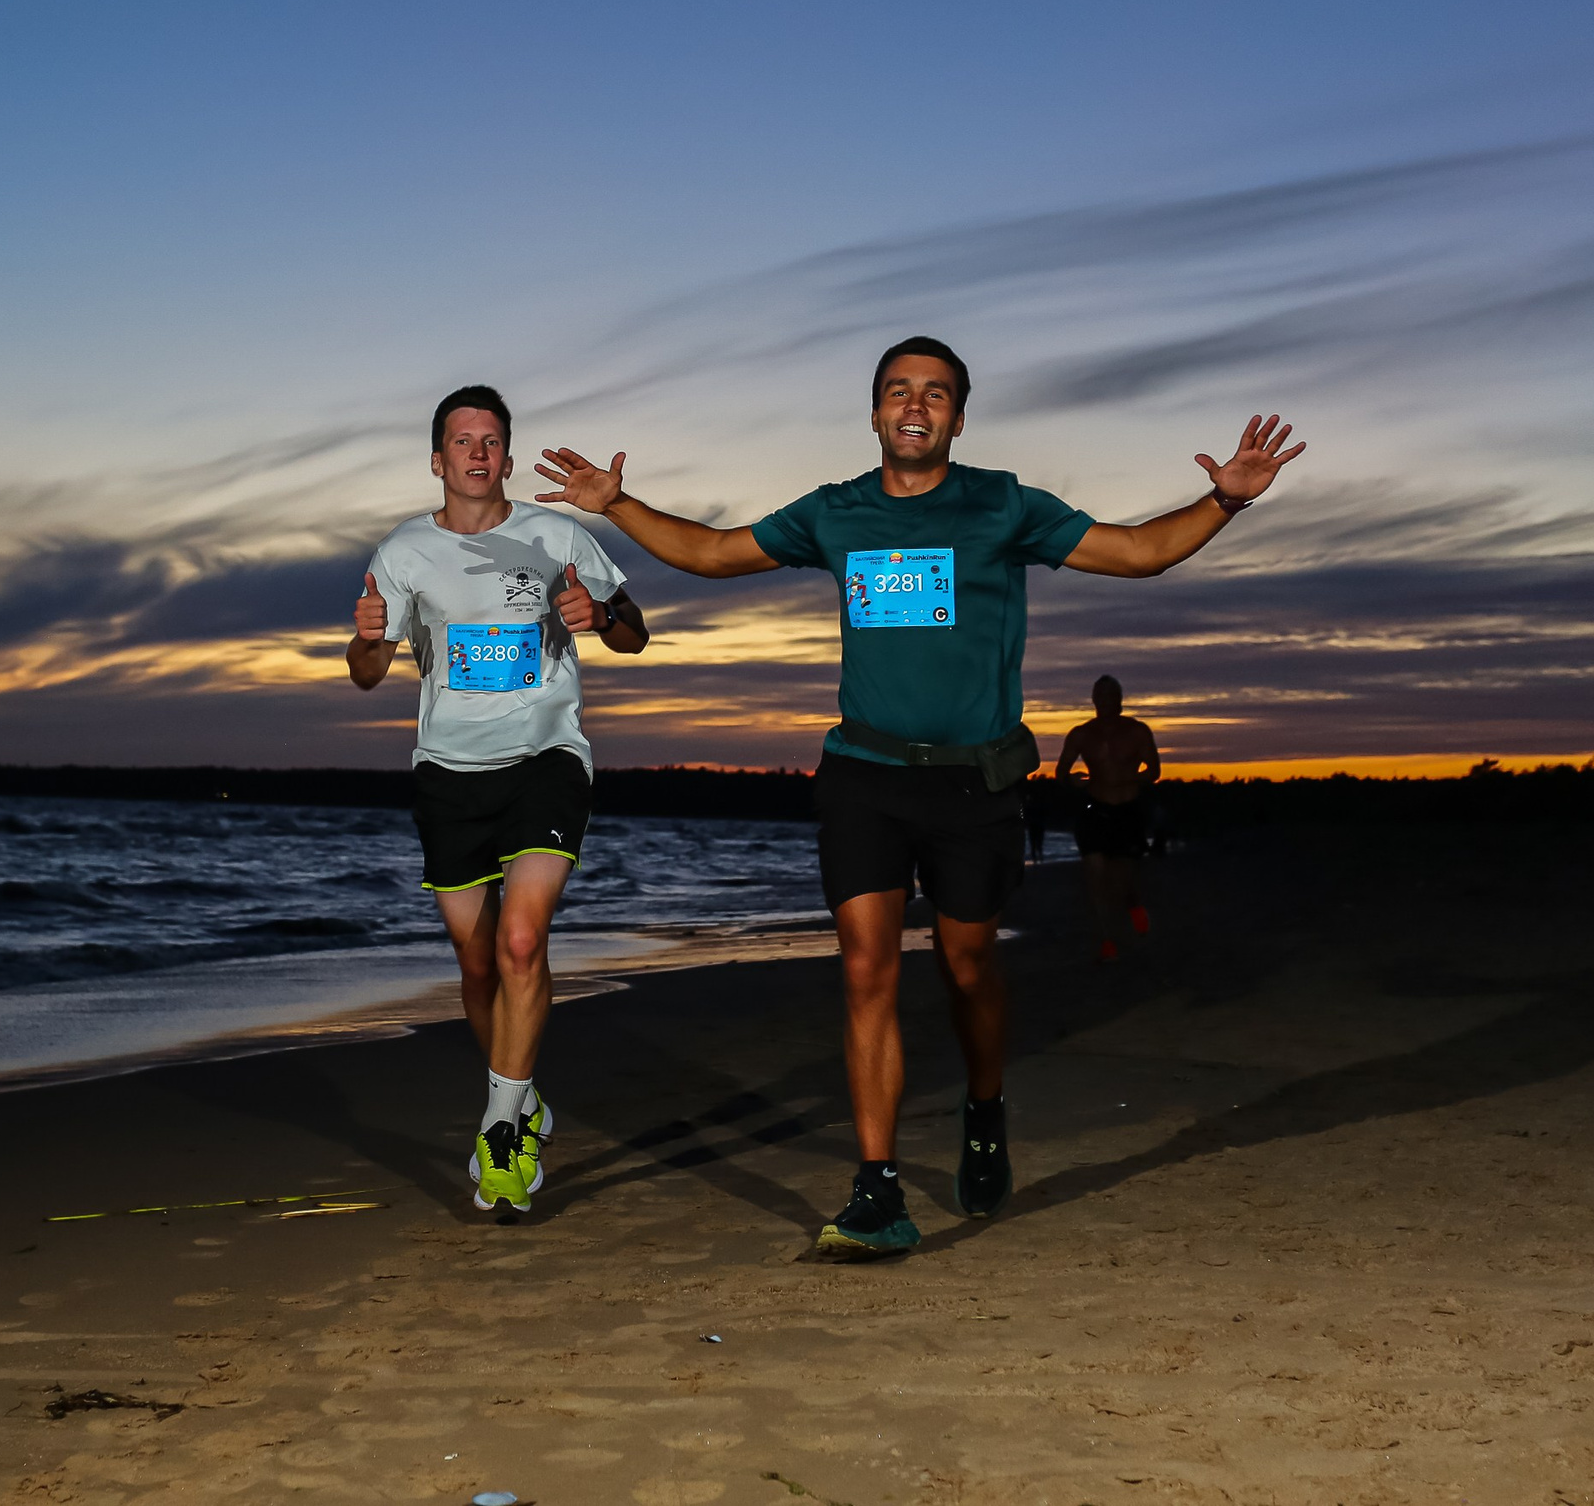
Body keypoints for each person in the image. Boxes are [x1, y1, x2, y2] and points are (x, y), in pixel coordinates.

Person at [535, 337, 1302, 1255]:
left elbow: (1138, 553)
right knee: (868, 969)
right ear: (873, 414)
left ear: (958, 418)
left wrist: (1224, 500)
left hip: (975, 781)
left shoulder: (1003, 504)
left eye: (935, 392)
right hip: (864, 773)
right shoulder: (836, 512)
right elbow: (709, 551)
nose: (915, 403)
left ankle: (985, 1111)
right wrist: (615, 501)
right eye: (898, 389)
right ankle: (877, 1189)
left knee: (970, 966)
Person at [350, 385, 650, 1216]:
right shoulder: (404, 552)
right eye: (462, 440)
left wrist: (600, 614)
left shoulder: (556, 535)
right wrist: (369, 637)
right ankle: (521, 1096)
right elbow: (368, 670)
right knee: (479, 963)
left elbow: (633, 630)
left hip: (545, 757)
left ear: (507, 459)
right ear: (438, 459)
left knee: (522, 940)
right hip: (447, 770)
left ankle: (500, 1130)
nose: (477, 453)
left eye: (491, 441)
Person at [1055, 675, 1162, 961]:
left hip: (1127, 811)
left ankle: (1133, 903)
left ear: (1120, 698)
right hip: (1095, 809)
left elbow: (1154, 771)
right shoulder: (1081, 734)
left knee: (1121, 879)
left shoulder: (1137, 731)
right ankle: (1107, 939)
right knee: (1095, 874)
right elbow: (1061, 771)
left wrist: (1133, 778)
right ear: (1092, 699)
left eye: (1110, 693)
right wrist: (1072, 780)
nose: (1105, 699)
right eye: (1100, 694)